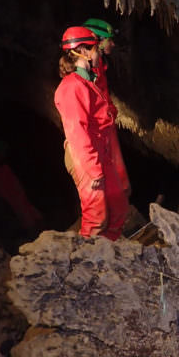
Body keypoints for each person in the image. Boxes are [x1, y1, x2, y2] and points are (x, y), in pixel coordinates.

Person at [54, 26, 129, 240]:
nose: (98, 53)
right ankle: (87, 263)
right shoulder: (71, 87)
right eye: (96, 48)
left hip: (100, 152)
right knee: (96, 216)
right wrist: (93, 169)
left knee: (119, 207)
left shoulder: (87, 82)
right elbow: (77, 131)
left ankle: (108, 252)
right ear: (84, 52)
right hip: (84, 156)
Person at [82, 18, 131, 197]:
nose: (112, 43)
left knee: (119, 180)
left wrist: (111, 110)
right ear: (98, 41)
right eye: (109, 39)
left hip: (106, 127)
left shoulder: (99, 66)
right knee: (111, 185)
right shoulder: (87, 72)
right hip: (99, 133)